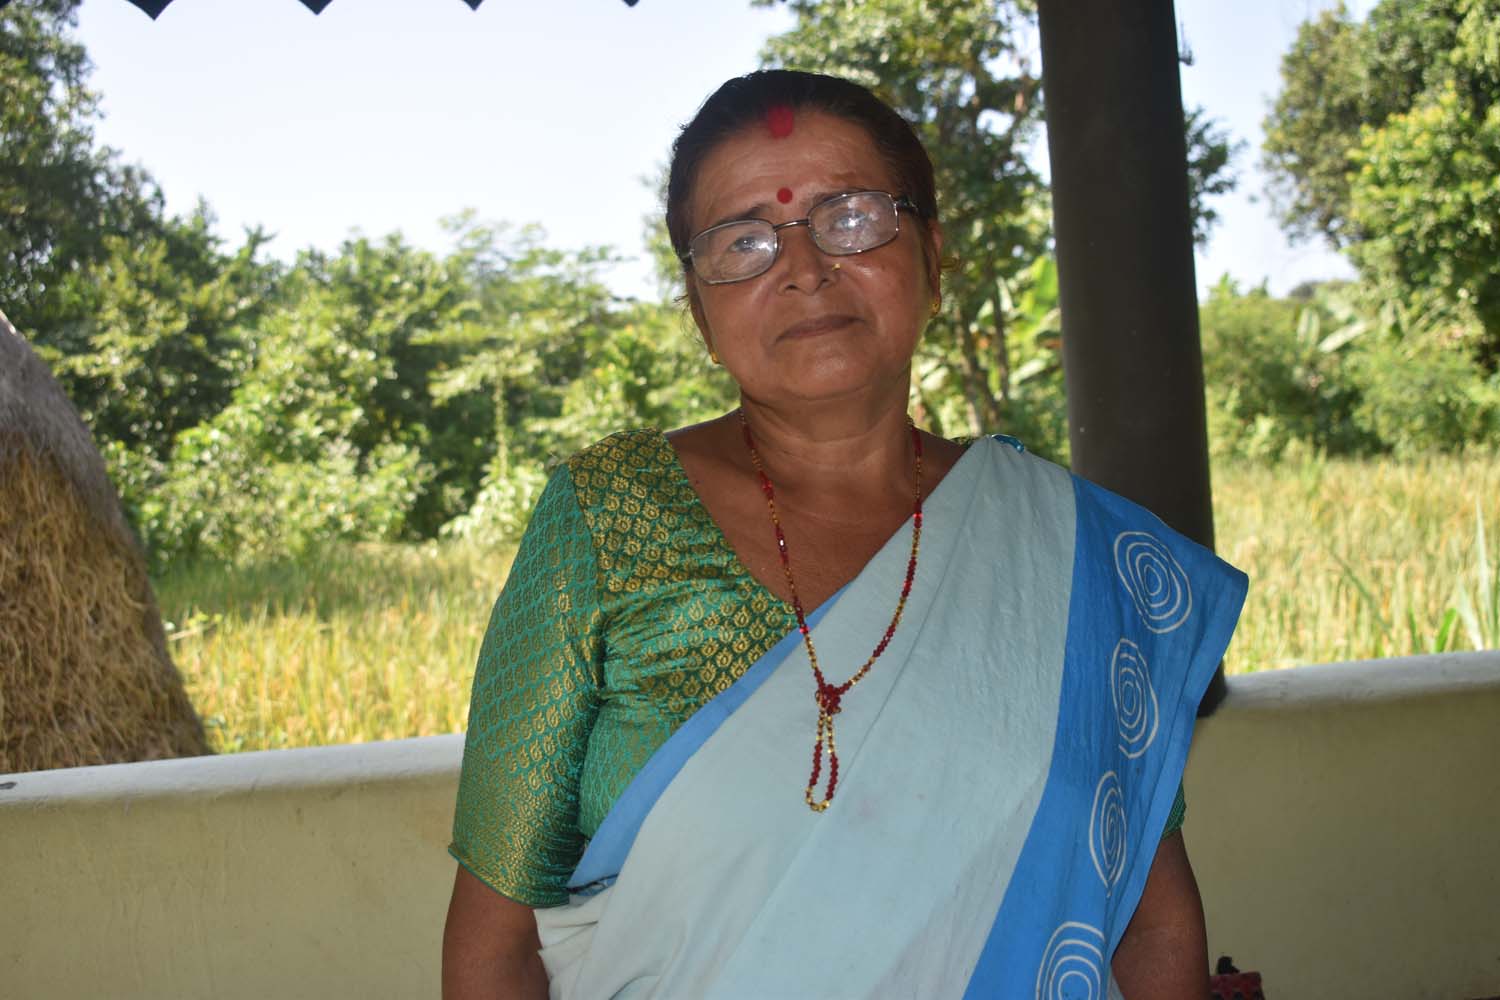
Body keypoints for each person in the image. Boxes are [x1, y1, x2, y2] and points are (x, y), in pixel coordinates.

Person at [442, 69, 1246, 1000]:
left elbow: (1153, 925)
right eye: (743, 241)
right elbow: (495, 948)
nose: (804, 267)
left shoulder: (1066, 556)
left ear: (932, 257)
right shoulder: (607, 517)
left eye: (852, 217)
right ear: (700, 307)